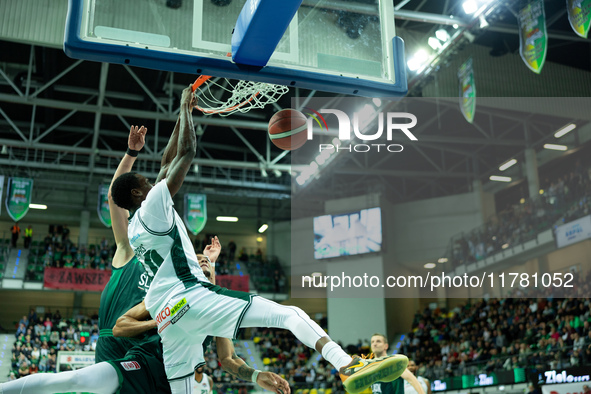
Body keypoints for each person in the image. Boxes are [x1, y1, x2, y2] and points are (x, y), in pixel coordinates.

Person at [110, 85, 408, 394]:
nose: (151, 181)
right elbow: (183, 155)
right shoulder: (153, 204)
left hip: (168, 318)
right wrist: (185, 109)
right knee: (290, 314)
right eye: (144, 182)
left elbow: (164, 162)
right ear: (136, 193)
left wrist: (180, 114)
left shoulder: (136, 228)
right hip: (191, 298)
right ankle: (347, 364)